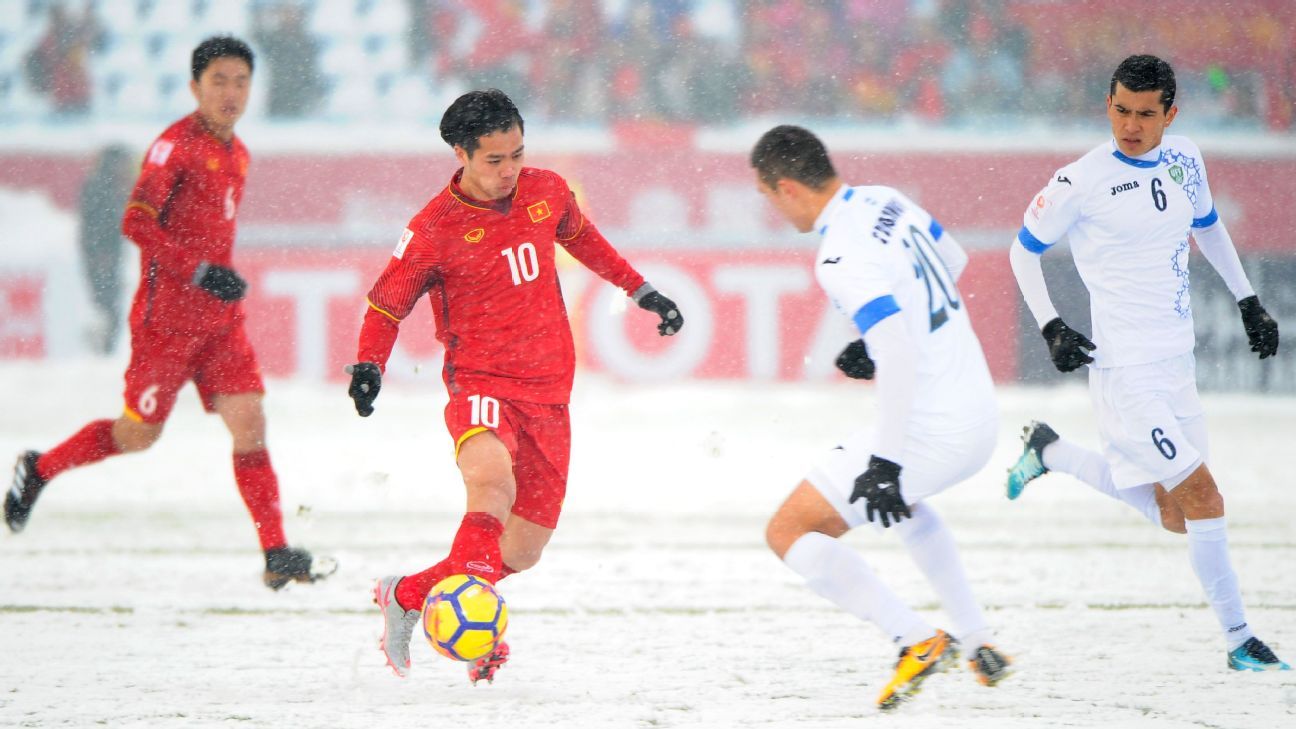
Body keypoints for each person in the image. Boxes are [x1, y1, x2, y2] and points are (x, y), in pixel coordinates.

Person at [347, 88, 683, 682]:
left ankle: (406, 595)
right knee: (490, 482)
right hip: (480, 381)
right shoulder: (432, 230)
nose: (509, 171)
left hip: (550, 390)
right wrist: (369, 364)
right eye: (494, 161)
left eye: (517, 156)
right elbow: (386, 304)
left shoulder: (547, 190)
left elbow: (582, 238)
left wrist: (640, 290)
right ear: (461, 154)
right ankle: (478, 635)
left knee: (523, 549)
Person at [6, 37, 333, 591]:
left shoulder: (239, 152)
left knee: (250, 422)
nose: (230, 93)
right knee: (138, 435)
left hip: (220, 323)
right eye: (218, 82)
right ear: (194, 88)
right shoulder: (173, 147)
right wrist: (201, 271)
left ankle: (276, 552)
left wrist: (218, 280)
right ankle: (38, 469)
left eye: (240, 82)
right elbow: (136, 221)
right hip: (168, 323)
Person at [1005, 54, 1289, 671]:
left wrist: (1249, 302)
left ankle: (1051, 452)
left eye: (1144, 114)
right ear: (1108, 105)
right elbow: (1021, 251)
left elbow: (1208, 228)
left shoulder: (1186, 158)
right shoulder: (1079, 181)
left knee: (1177, 516)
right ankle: (1242, 641)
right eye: (1120, 111)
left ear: (1170, 114)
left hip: (1175, 363)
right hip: (1125, 374)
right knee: (1204, 499)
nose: (1130, 125)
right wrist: (1052, 325)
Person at [751, 125, 1010, 712]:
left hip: (934, 427)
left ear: (788, 187)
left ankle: (915, 639)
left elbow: (895, 353)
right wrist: (883, 338)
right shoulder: (884, 199)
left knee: (790, 531)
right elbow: (953, 258)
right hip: (976, 412)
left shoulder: (837, 253)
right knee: (905, 509)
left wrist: (886, 462)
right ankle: (978, 642)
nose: (771, 208)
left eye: (768, 196)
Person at [79, 144, 134, 354]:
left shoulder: (105, 186)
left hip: (108, 254)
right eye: (122, 163)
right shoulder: (100, 188)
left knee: (109, 303)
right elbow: (96, 225)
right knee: (105, 303)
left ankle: (104, 345)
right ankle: (100, 346)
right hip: (102, 255)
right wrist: (99, 253)